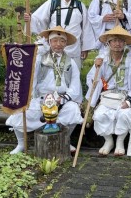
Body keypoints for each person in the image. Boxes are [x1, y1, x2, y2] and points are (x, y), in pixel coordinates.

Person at [6, 26, 83, 154]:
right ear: (49, 42)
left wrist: (62, 99)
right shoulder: (40, 58)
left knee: (73, 111)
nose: (58, 44)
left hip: (61, 99)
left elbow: (75, 86)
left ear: (65, 43)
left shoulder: (71, 62)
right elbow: (29, 75)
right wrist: (30, 54)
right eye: (55, 40)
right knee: (19, 112)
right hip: (40, 98)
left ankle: (65, 141)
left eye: (62, 41)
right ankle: (21, 144)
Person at [85, 25, 131, 156]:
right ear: (109, 43)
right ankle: (109, 141)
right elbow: (92, 81)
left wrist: (128, 102)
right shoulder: (103, 61)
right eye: (114, 41)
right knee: (100, 114)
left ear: (125, 43)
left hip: (124, 97)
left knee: (124, 114)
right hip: (107, 97)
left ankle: (120, 142)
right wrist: (96, 68)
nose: (117, 44)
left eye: (120, 41)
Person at [24, 0, 95, 69]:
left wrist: (85, 48)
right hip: (54, 43)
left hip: (74, 45)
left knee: (73, 70)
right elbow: (38, 18)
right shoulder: (51, 3)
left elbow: (86, 27)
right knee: (52, 71)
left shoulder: (80, 5)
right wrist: (30, 19)